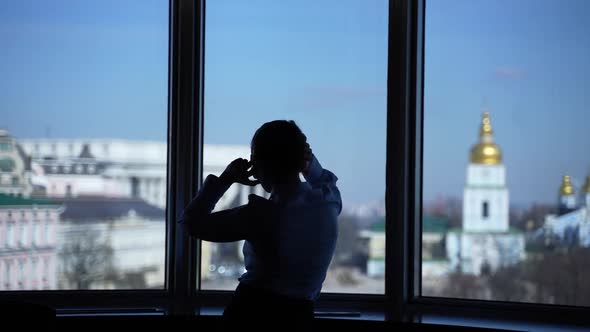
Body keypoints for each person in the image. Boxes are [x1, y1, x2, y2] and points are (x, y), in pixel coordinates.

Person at [179, 120, 341, 330]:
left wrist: (225, 180)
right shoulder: (329, 201)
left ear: (262, 164)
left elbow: (190, 223)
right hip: (301, 317)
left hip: (250, 313)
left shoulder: (261, 215)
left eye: (254, 159)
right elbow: (322, 178)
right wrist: (306, 160)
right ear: (302, 159)